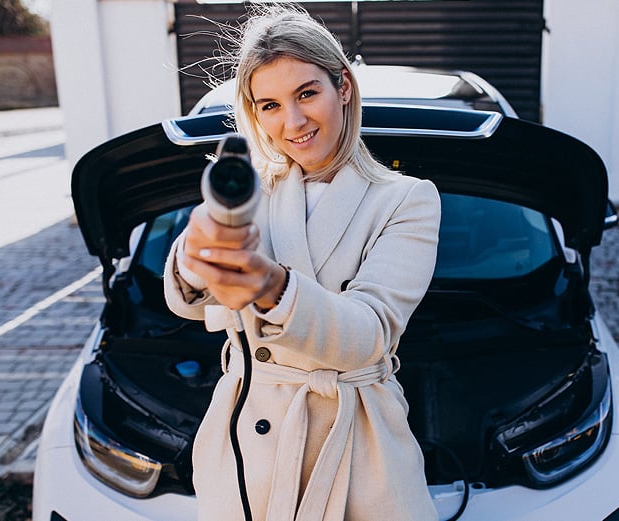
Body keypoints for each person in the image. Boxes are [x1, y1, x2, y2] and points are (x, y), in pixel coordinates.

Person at [163, 5, 441, 521]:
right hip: (248, 448)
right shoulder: (248, 193)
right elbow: (193, 303)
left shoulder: (406, 199)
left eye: (307, 93)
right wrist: (197, 256)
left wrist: (270, 285)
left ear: (344, 88)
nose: (291, 122)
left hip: (359, 445)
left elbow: (368, 334)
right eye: (269, 104)